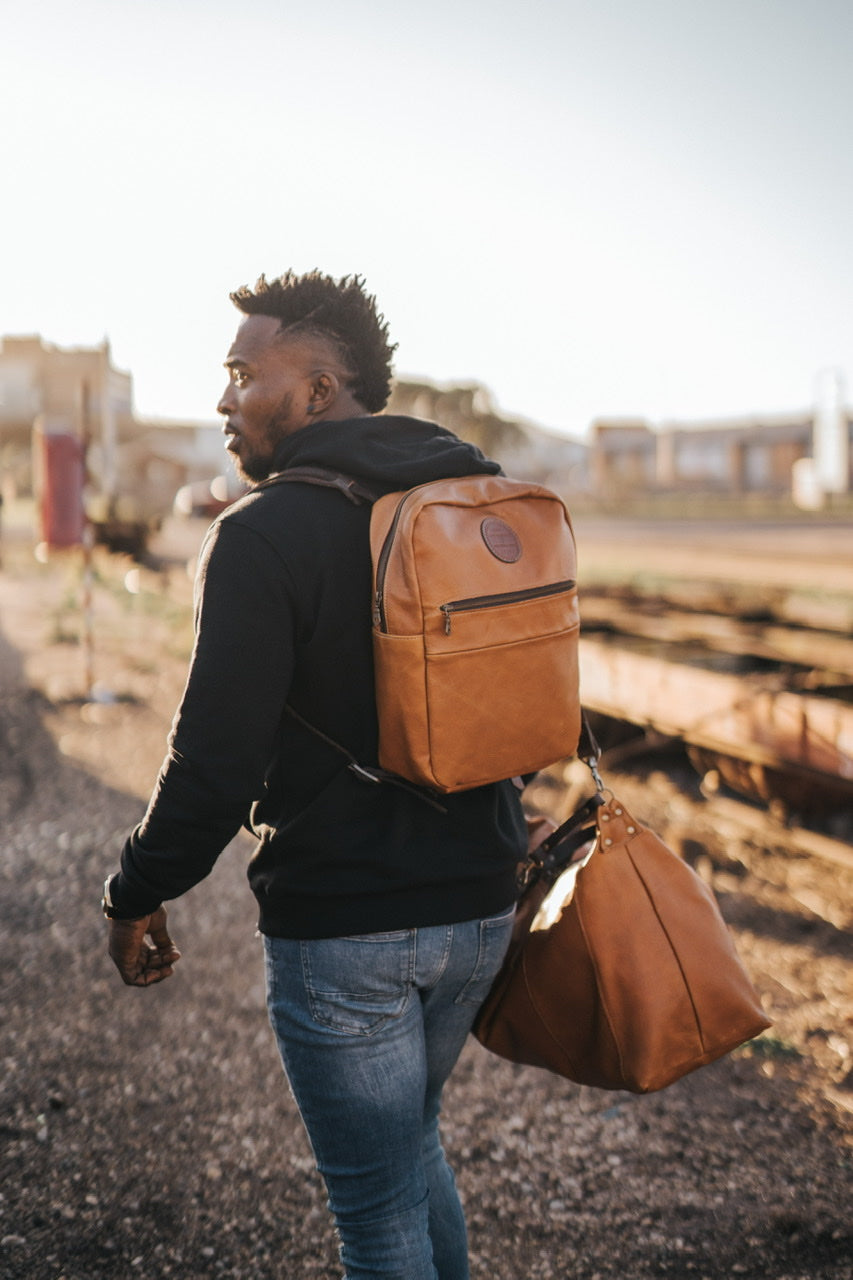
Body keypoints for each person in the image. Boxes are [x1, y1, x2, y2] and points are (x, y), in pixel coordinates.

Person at [103, 270, 527, 1280]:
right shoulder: (469, 494)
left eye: (245, 374)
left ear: (318, 390)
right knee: (409, 1142)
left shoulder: (260, 535)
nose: (223, 399)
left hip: (349, 926)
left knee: (374, 1211)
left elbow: (212, 762)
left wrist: (136, 888)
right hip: (481, 904)